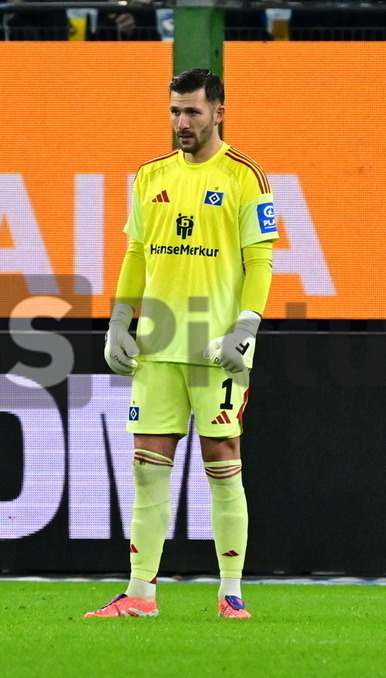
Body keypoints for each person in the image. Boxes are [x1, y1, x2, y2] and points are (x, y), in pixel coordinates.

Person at [84, 68, 277, 620]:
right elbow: (136, 254)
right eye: (174, 111)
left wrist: (246, 327)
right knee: (147, 465)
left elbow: (259, 261)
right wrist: (120, 319)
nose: (181, 122)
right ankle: (140, 594)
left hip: (216, 344)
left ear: (219, 112)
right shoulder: (149, 176)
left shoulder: (247, 177)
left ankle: (231, 591)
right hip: (159, 341)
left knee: (222, 458)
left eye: (192, 111)